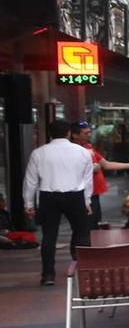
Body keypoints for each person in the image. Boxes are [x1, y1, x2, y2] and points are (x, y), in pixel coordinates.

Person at [23, 121, 96, 286]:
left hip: (49, 196)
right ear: (69, 133)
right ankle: (84, 269)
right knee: (82, 233)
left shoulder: (38, 153)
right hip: (75, 196)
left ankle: (48, 275)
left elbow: (30, 181)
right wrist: (87, 200)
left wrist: (29, 203)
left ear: (49, 134)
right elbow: (87, 180)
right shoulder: (82, 152)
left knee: (49, 236)